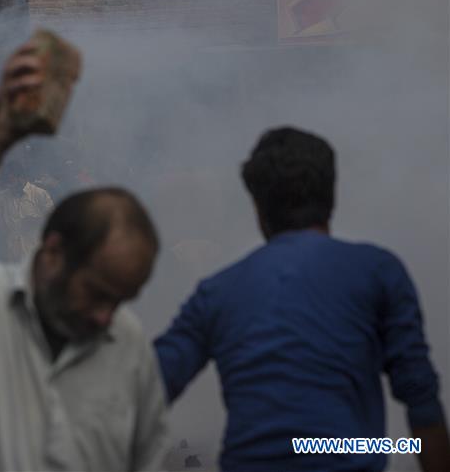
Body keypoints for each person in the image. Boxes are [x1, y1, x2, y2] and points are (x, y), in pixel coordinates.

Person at [0, 40, 168, 471]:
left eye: (119, 299)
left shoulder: (127, 341)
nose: (105, 316)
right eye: (96, 292)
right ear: (55, 252)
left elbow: (149, 455)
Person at [154, 127, 450, 472]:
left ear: (257, 207)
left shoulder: (217, 292)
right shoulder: (378, 271)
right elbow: (421, 400)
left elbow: (145, 390)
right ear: (332, 197)